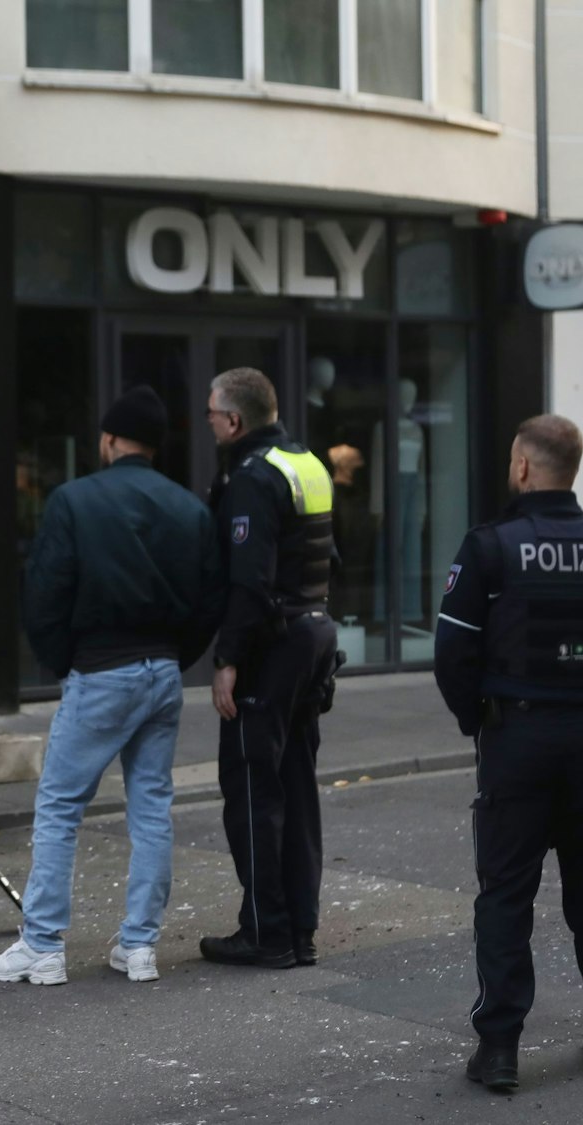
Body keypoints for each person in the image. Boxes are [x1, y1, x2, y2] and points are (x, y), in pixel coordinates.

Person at [433, 414, 583, 1092]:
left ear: (522, 467)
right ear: (571, 471)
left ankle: (502, 1049)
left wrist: (473, 718)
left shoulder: (491, 547)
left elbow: (452, 651)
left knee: (506, 894)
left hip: (517, 738)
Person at [0, 385, 225, 986]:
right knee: (151, 809)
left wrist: (68, 660)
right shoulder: (188, 507)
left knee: (61, 806)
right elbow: (209, 598)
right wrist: (175, 656)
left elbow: (44, 593)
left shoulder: (74, 500)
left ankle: (41, 945)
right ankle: (138, 947)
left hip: (102, 668)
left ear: (110, 440)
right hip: (163, 672)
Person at [198, 367, 340, 972]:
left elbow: (250, 584)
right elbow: (328, 552)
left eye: (212, 415)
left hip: (272, 645)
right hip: (312, 634)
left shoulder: (254, 479)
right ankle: (298, 929)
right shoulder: (305, 460)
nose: (209, 424)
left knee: (254, 789)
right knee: (297, 785)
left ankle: (266, 932)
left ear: (234, 421)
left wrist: (227, 659)